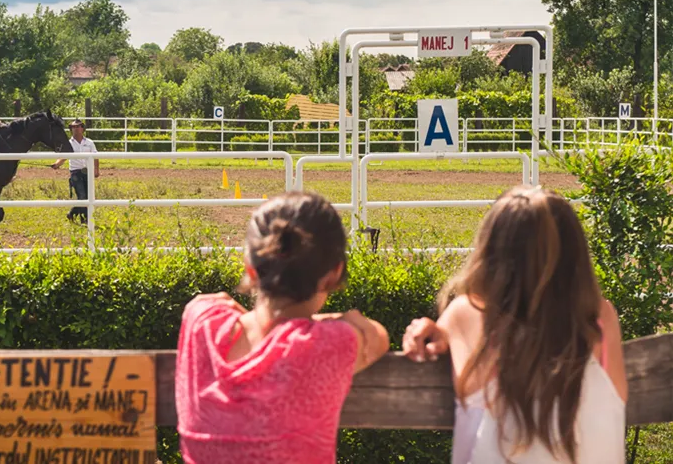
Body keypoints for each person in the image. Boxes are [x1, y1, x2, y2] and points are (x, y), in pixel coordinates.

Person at [401, 186, 627, 464]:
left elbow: (449, 334)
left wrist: (428, 329)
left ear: (491, 253)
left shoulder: (469, 315)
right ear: (574, 254)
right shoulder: (601, 319)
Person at [175, 191, 390, 463]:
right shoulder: (331, 343)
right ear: (334, 274)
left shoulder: (201, 320)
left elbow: (216, 309)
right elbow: (377, 338)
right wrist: (348, 319)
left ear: (250, 269)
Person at [50, 119, 99, 224]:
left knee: (89, 196)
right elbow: (64, 156)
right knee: (82, 196)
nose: (76, 129)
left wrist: (96, 170)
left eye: (78, 126)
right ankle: (84, 219)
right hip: (75, 172)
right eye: (73, 127)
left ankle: (72, 213)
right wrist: (57, 163)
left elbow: (96, 157)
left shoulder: (90, 143)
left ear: (82, 128)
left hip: (88, 172)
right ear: (71, 129)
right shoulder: (68, 143)